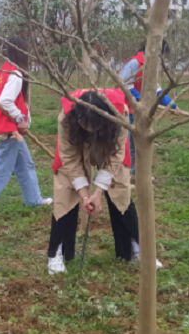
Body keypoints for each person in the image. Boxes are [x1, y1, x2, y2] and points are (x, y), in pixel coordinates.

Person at [46, 88, 163, 275]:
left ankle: (136, 249)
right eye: (86, 125)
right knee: (65, 191)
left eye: (94, 126)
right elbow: (68, 157)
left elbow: (115, 155)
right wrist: (85, 196)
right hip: (75, 147)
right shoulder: (66, 118)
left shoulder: (120, 114)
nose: (90, 130)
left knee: (120, 189)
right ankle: (57, 254)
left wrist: (98, 192)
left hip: (109, 145)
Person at [0, 38, 51, 212]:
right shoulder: (15, 73)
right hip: (8, 128)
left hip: (9, 127)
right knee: (2, 166)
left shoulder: (5, 69)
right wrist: (19, 118)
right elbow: (5, 100)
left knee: (26, 164)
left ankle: (33, 199)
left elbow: (13, 98)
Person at [118, 40, 176, 175]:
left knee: (137, 143)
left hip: (139, 111)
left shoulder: (149, 66)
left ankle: (134, 173)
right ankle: (123, 173)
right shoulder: (134, 63)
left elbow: (156, 89)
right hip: (125, 110)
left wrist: (171, 104)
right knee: (125, 144)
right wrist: (144, 101)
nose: (161, 59)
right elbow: (124, 85)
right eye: (162, 54)